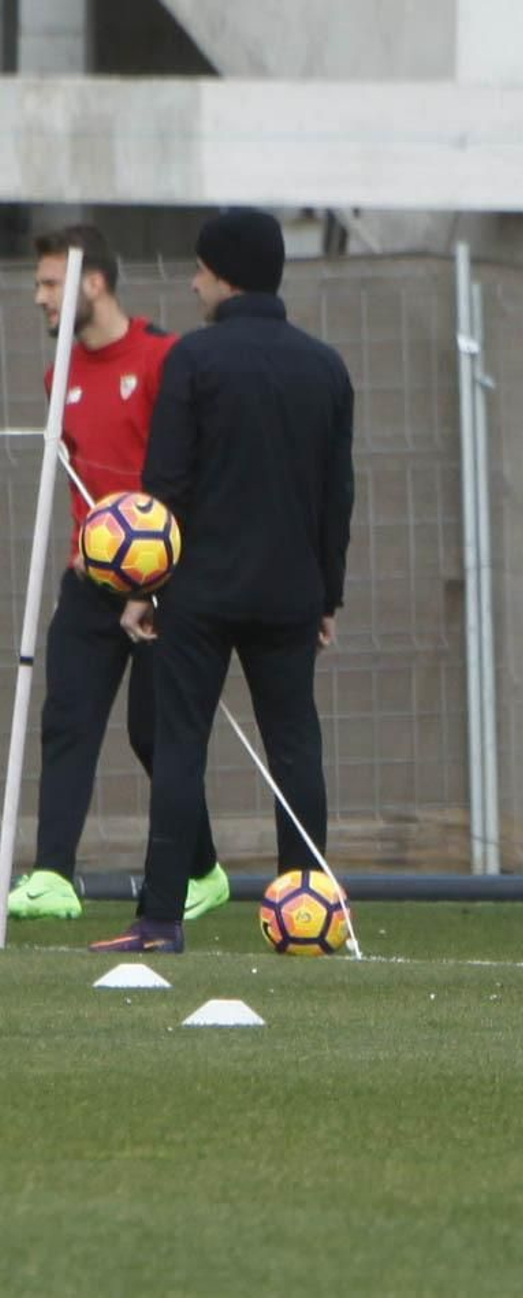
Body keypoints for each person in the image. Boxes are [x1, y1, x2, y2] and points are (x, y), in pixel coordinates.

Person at [90, 208, 354, 953]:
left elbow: (166, 484)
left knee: (181, 746)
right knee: (295, 747)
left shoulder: (193, 360)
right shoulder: (325, 367)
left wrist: (143, 590)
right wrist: (328, 595)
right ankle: (308, 909)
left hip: (199, 591)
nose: (194, 282)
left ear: (226, 276)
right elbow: (337, 495)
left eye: (201, 269)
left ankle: (160, 919)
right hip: (291, 591)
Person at [6, 225, 227, 924]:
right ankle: (53, 875)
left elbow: (188, 467)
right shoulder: (59, 376)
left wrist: (164, 566)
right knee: (66, 716)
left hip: (163, 583)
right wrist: (88, 542)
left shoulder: (164, 358)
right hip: (90, 582)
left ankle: (204, 870)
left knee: (152, 731)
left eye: (50, 284)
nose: (40, 298)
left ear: (92, 283)